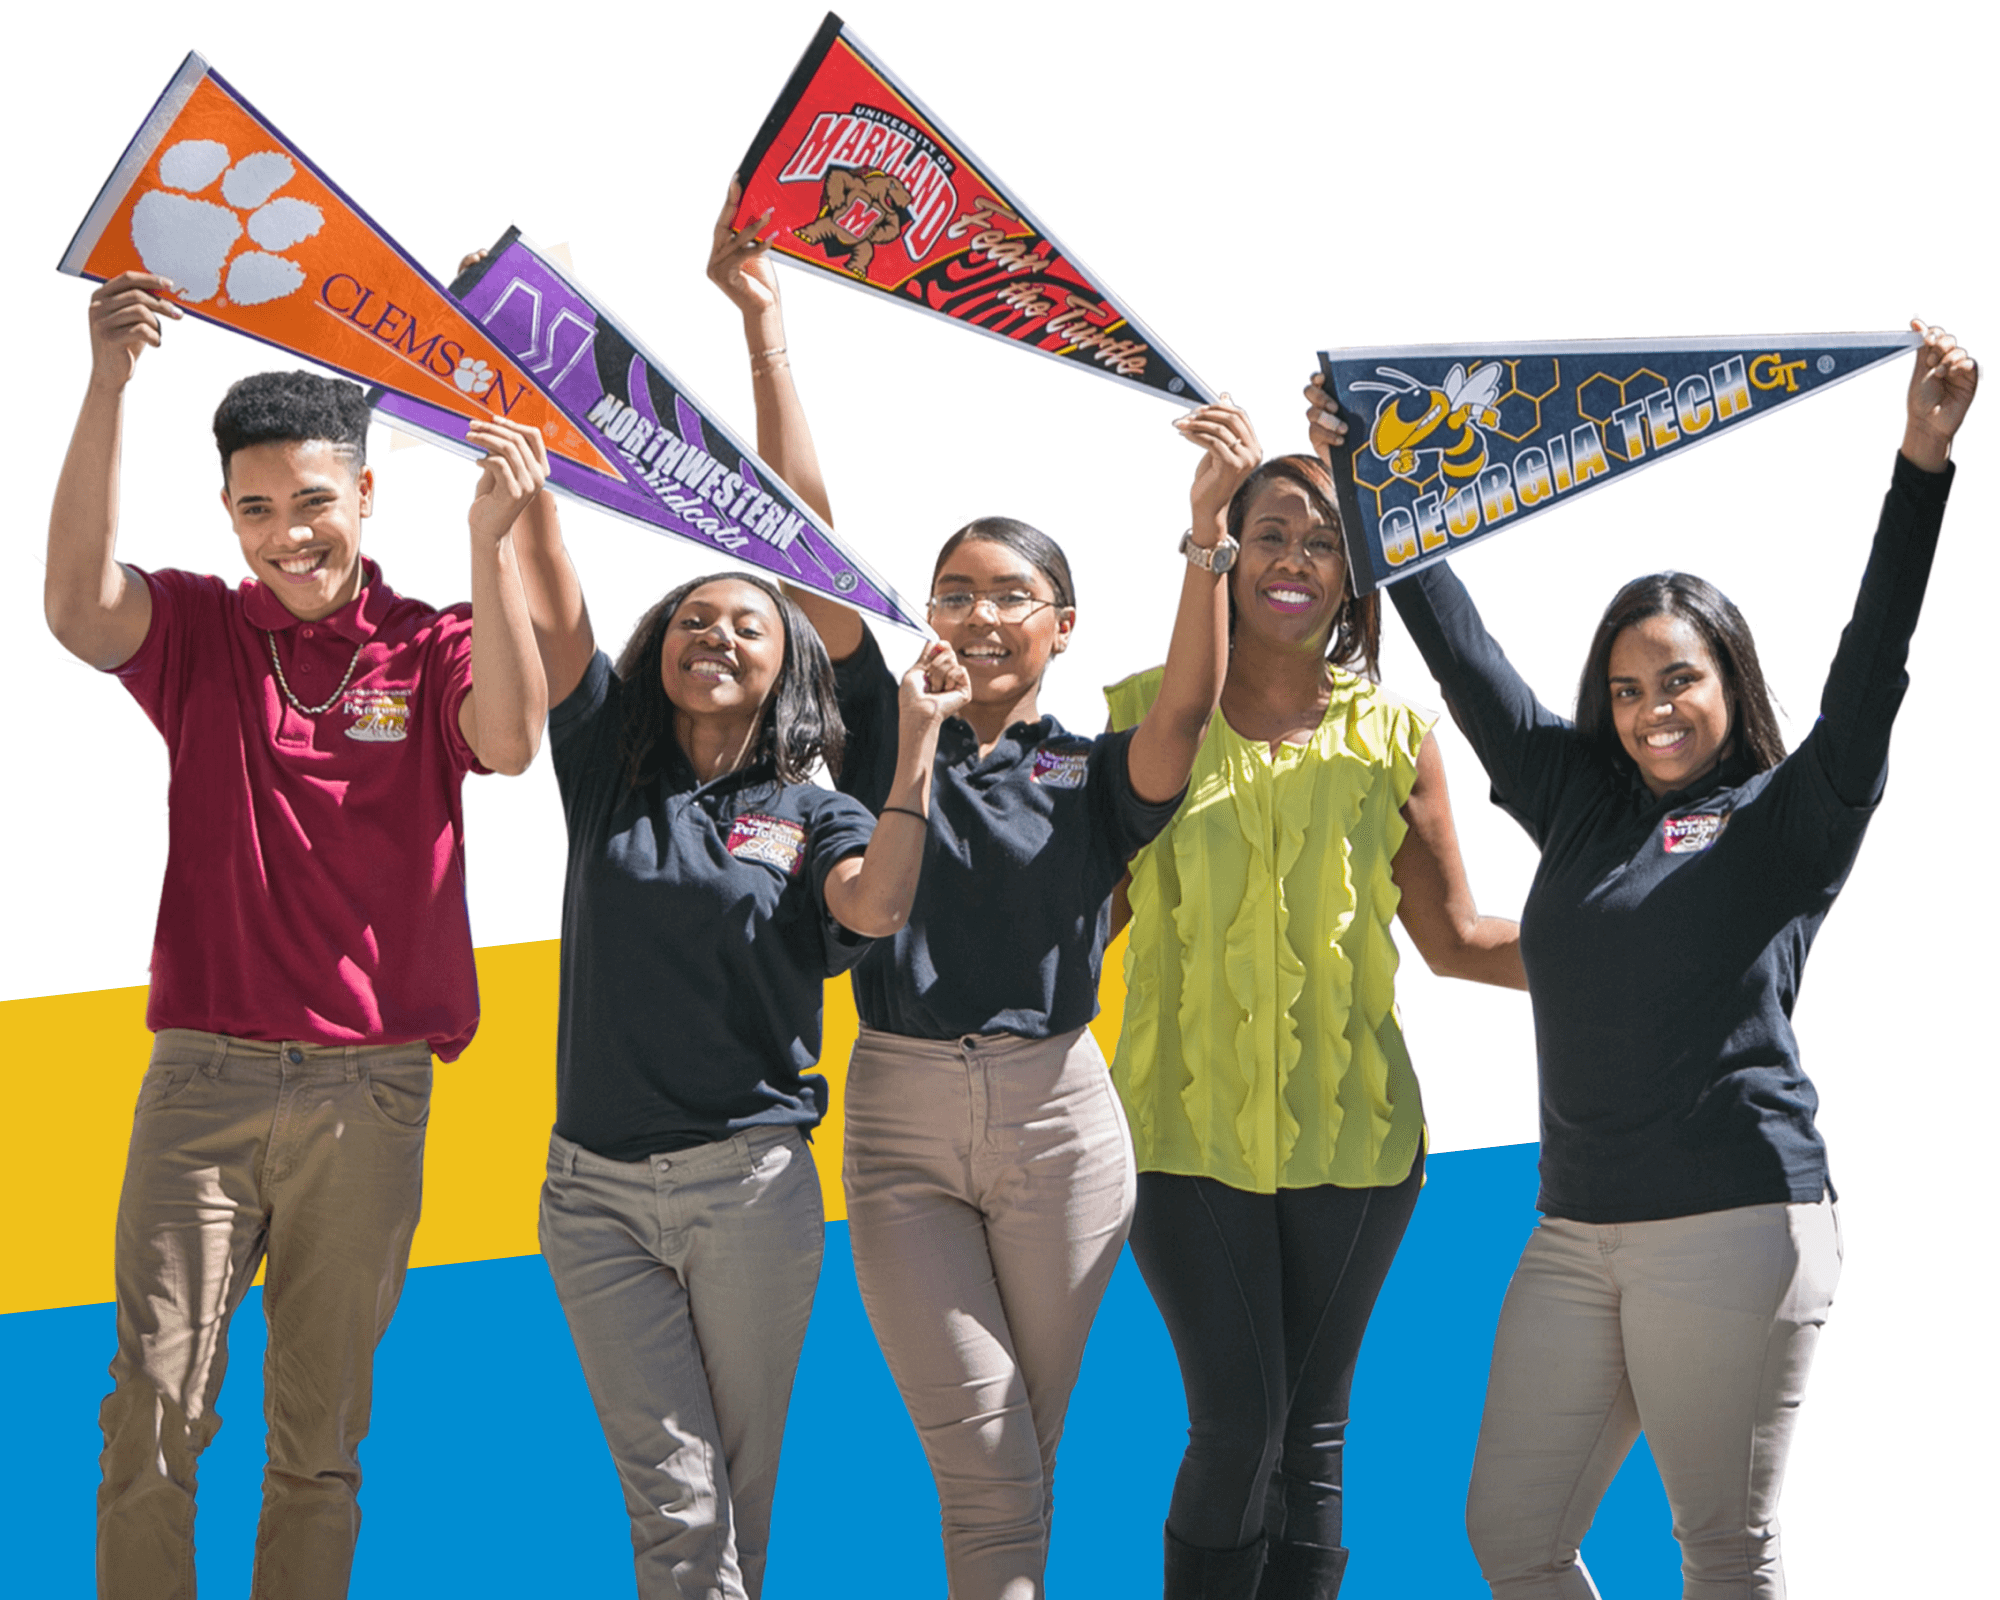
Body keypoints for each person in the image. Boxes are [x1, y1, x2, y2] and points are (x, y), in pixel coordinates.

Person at [1322, 320, 1979, 1599]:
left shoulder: (1789, 814)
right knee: (1512, 1535)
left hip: (1732, 1222)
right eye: (1623, 689)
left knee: (1718, 1552)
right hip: (1574, 1229)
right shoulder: (1580, 801)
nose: (1649, 709)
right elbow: (1463, 658)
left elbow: (1870, 668)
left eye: (1675, 679)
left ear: (1727, 678)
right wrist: (1372, 479)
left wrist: (1917, 464)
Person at [707, 180, 1245, 1600]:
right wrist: (766, 323)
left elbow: (1191, 711)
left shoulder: (1096, 774)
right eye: (955, 589)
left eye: (1012, 594)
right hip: (896, 1124)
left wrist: (1210, 534)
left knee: (1016, 1462)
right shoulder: (888, 727)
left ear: (1062, 630)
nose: (979, 612)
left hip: (1065, 1127)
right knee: (988, 1449)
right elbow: (794, 539)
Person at [47, 271, 549, 1599]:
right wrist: (106, 385)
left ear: (366, 496)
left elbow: (508, 739)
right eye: (257, 509)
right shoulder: (203, 635)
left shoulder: (434, 642)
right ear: (228, 512)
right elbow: (77, 610)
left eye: (314, 501)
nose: (289, 533)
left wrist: (495, 545)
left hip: (367, 1098)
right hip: (200, 1087)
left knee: (318, 1444)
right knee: (152, 1413)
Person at [505, 433, 970, 1597]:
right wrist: (526, 492)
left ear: (787, 669)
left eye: (747, 625)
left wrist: (912, 747)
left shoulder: (810, 815)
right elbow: (556, 610)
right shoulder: (608, 763)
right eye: (693, 618)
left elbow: (875, 904)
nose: (715, 634)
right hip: (593, 1193)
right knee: (678, 1499)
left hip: (750, 1191)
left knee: (733, 1504)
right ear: (659, 642)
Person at [1105, 443, 1527, 1599]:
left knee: (1314, 1438)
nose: (1294, 558)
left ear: (1357, 571)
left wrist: (1639, 959)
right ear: (1226, 555)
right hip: (1176, 1141)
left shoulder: (1395, 735)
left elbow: (1453, 938)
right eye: (1272, 534)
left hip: (1358, 1142)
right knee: (1237, 1421)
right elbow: (1075, 928)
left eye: (1324, 538)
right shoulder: (1142, 719)